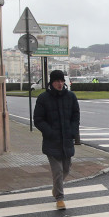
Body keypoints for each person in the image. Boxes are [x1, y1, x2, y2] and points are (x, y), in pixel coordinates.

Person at [33, 70, 80, 209]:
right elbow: (38, 119)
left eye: (61, 81)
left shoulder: (71, 97)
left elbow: (75, 116)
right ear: (51, 83)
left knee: (66, 169)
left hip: (67, 140)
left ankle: (56, 188)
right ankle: (60, 198)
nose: (60, 84)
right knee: (58, 170)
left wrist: (73, 131)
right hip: (52, 141)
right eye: (57, 81)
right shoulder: (43, 98)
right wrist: (50, 132)